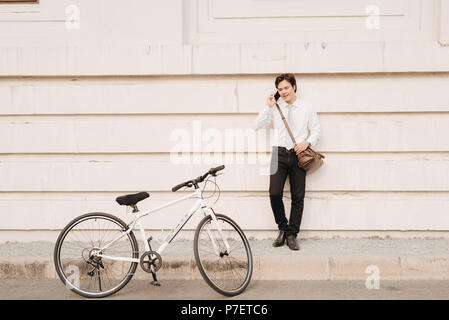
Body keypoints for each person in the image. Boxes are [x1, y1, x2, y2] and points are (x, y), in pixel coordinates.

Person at [254, 73, 321, 250]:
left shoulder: (307, 107)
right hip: (279, 154)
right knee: (274, 193)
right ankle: (282, 229)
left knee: (298, 197)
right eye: (280, 89)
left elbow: (316, 130)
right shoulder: (275, 107)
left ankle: (292, 234)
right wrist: (268, 107)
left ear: (294, 87)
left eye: (286, 88)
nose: (283, 92)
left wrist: (307, 142)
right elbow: (257, 125)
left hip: (299, 155)